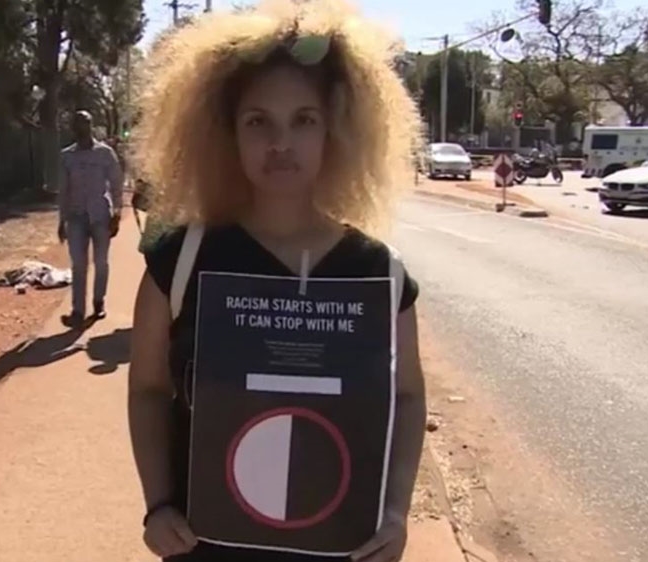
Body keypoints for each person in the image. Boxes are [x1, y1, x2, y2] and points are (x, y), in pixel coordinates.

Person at [127, 1, 426, 561]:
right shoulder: (180, 261)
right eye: (258, 121)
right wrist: (158, 504)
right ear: (227, 134)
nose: (281, 142)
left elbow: (407, 396)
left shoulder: (379, 274)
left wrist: (394, 510)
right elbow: (147, 389)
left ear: (335, 131)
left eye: (303, 120)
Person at [58, 110, 124, 328]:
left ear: (91, 125)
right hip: (76, 216)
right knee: (78, 264)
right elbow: (64, 190)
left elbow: (116, 183)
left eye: (85, 123)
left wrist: (117, 213)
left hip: (100, 216)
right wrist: (61, 220)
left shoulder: (105, 153)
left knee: (101, 262)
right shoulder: (67, 156)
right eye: (77, 124)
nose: (81, 127)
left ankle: (98, 302)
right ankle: (78, 311)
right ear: (73, 128)